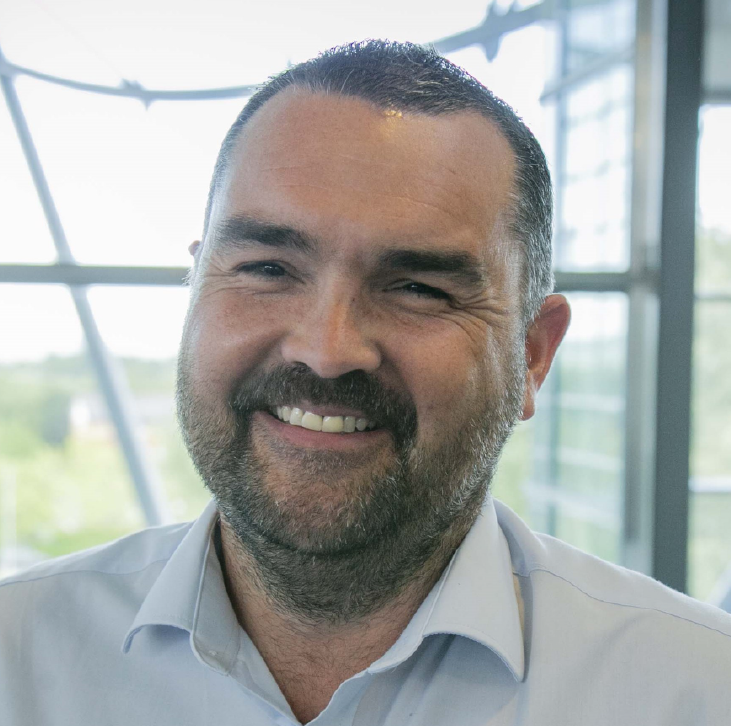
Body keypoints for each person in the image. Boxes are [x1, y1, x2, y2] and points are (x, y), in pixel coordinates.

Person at [0, 40, 729, 726]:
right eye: (267, 269)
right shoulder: (16, 657)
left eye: (416, 287)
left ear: (532, 354)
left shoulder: (694, 691)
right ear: (197, 286)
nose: (325, 350)